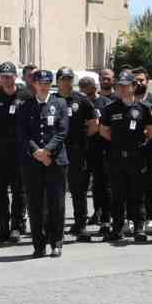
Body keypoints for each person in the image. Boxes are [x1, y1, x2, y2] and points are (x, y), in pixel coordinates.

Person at [17, 68, 71, 258]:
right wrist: (37, 152)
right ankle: (39, 245)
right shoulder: (25, 106)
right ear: (34, 84)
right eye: (40, 83)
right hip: (32, 161)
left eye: (47, 83)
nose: (43, 86)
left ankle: (56, 242)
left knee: (56, 203)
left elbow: (62, 131)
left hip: (55, 161)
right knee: (35, 204)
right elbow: (23, 134)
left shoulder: (60, 103)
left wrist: (47, 151)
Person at [100, 75, 152, 244]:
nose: (122, 89)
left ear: (133, 86)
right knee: (117, 195)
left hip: (137, 157)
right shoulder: (110, 108)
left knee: (137, 194)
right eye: (120, 86)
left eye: (126, 86)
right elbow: (103, 130)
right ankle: (117, 229)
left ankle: (139, 228)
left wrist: (137, 143)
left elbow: (151, 131)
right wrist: (119, 143)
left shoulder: (143, 108)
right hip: (117, 158)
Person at [0, 61, 31, 243]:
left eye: (9, 76)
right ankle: (3, 227)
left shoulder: (25, 95)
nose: (6, 80)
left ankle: (16, 227)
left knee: (19, 191)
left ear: (15, 77)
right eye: (3, 77)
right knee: (0, 191)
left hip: (19, 152)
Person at [59, 70, 100, 240]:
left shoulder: (81, 100)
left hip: (76, 150)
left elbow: (94, 124)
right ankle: (56, 226)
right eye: (63, 79)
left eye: (69, 79)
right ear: (58, 81)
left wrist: (82, 138)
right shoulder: (53, 100)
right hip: (58, 149)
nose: (66, 82)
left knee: (79, 189)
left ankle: (80, 225)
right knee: (57, 190)